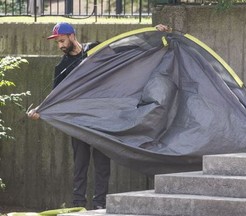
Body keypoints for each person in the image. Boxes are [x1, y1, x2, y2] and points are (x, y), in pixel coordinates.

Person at [27, 22, 170, 210]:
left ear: (72, 36)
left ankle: (99, 205)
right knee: (80, 164)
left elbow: (127, 49)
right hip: (78, 122)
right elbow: (56, 97)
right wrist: (40, 109)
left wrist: (154, 35)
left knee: (102, 165)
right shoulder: (62, 67)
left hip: (103, 120)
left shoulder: (95, 50)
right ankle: (78, 204)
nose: (60, 45)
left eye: (61, 40)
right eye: (57, 43)